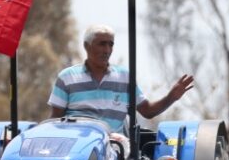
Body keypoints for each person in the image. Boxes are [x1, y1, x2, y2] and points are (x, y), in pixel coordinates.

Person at [48, 24, 194, 134]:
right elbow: (55, 120)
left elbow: (147, 111)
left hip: (113, 145)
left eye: (110, 44)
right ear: (87, 46)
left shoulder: (124, 77)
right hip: (77, 142)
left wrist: (171, 97)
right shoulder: (67, 77)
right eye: (102, 44)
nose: (107, 50)